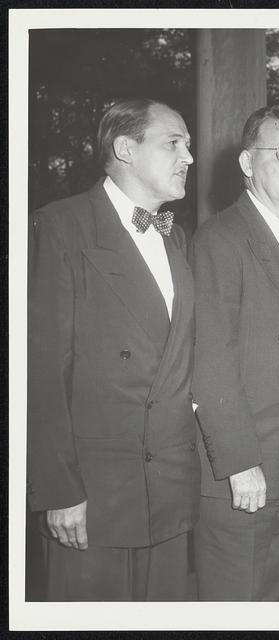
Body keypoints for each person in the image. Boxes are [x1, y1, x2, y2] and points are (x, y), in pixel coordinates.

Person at [27, 99, 199, 601]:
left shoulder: (177, 239)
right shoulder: (59, 227)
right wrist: (58, 491)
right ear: (125, 148)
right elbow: (38, 371)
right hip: (93, 496)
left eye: (187, 144)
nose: (189, 156)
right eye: (174, 143)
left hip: (168, 487)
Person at [190, 105, 279, 601]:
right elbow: (210, 362)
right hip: (244, 472)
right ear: (248, 163)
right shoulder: (219, 239)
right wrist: (240, 461)